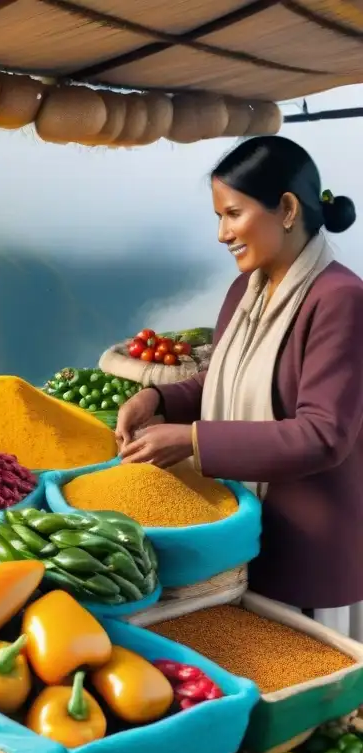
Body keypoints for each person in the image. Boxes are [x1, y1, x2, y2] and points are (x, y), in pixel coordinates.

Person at [115, 136, 362, 634]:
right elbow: (223, 377)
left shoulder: (341, 299)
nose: (222, 234)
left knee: (309, 693)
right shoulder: (244, 289)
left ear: (287, 209)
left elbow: (323, 435)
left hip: (305, 551)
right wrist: (156, 397)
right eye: (218, 217)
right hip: (242, 529)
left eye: (233, 213)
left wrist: (193, 440)